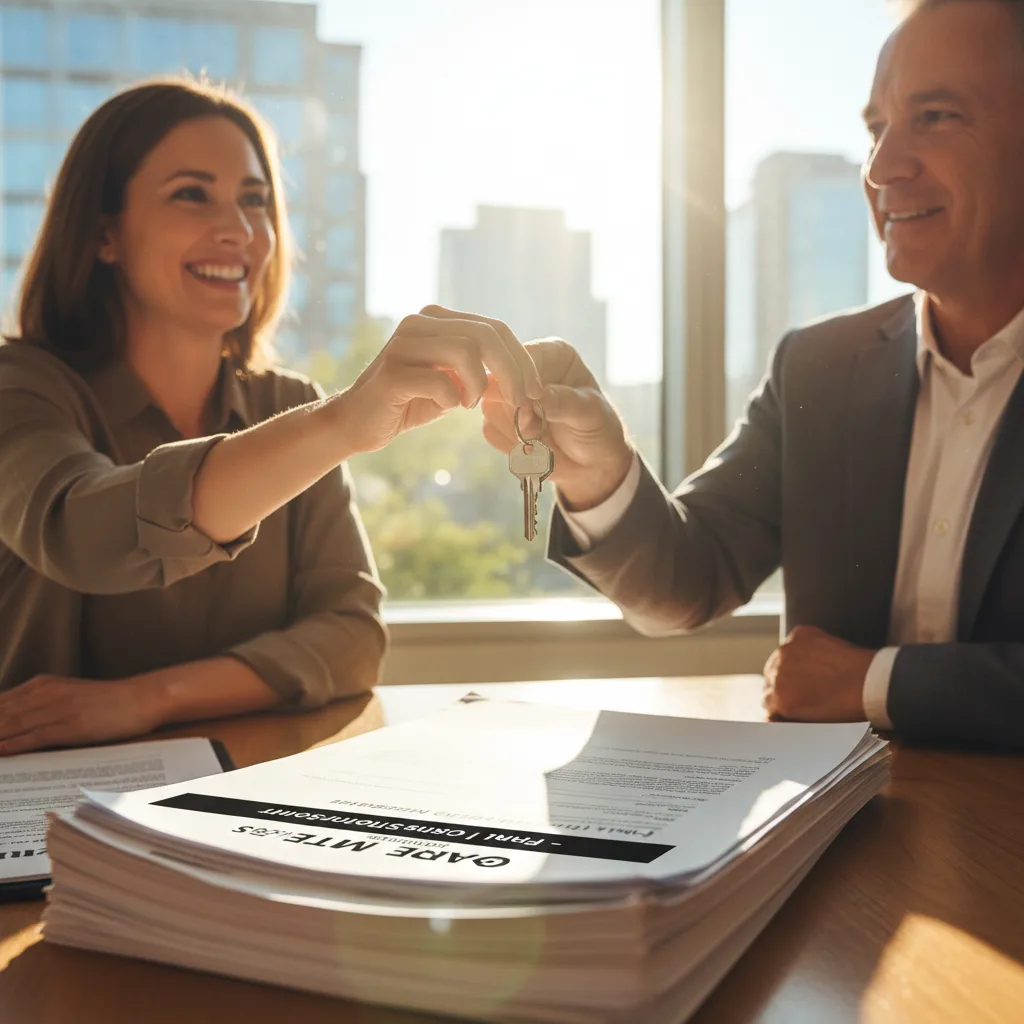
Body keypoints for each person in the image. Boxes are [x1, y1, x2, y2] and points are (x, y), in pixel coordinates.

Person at [480, 0, 1024, 748]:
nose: (880, 168)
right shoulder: (819, 369)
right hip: (848, 816)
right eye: (876, 129)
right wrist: (599, 472)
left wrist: (874, 683)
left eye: (934, 117)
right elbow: (685, 582)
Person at [0, 79, 542, 755]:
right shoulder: (22, 386)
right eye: (191, 194)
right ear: (104, 233)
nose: (240, 230)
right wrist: (341, 423)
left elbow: (351, 637)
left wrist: (147, 699)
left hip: (239, 790)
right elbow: (77, 531)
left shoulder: (286, 406)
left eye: (254, 200)